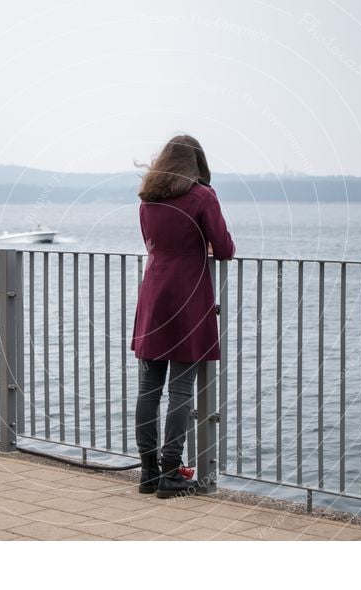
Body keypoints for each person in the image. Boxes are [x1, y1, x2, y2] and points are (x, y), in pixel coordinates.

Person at [131, 134, 235, 499]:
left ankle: (148, 473)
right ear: (198, 165)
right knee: (180, 390)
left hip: (154, 295)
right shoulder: (202, 196)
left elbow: (152, 244)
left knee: (149, 390)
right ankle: (171, 473)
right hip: (188, 298)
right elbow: (224, 249)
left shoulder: (148, 199)